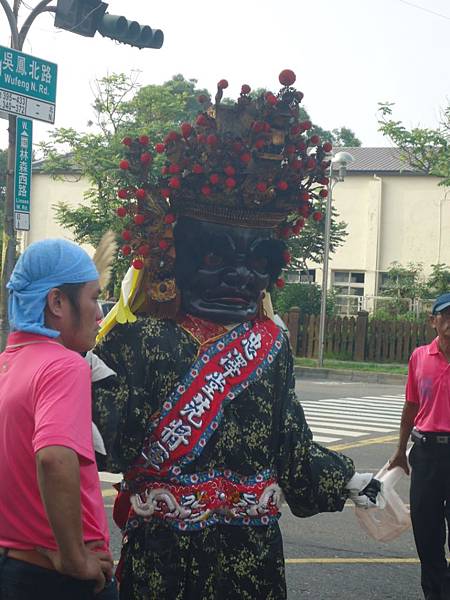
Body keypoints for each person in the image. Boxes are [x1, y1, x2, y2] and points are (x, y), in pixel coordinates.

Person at [93, 70, 381, 600]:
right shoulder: (139, 343)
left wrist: (345, 479)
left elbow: (291, 446)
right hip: (167, 557)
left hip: (251, 555)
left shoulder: (271, 347)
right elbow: (109, 444)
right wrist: (79, 386)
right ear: (173, 259)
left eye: (258, 261)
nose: (240, 277)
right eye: (216, 256)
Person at [0, 239, 118, 600]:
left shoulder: (8, 364)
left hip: (13, 569)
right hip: (56, 579)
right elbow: (53, 457)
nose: (100, 314)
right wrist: (74, 558)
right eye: (93, 297)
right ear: (56, 302)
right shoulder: (63, 366)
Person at [389, 292, 450, 600]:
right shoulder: (419, 357)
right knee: (426, 535)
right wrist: (401, 450)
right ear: (433, 321)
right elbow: (410, 407)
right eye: (446, 316)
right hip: (425, 454)